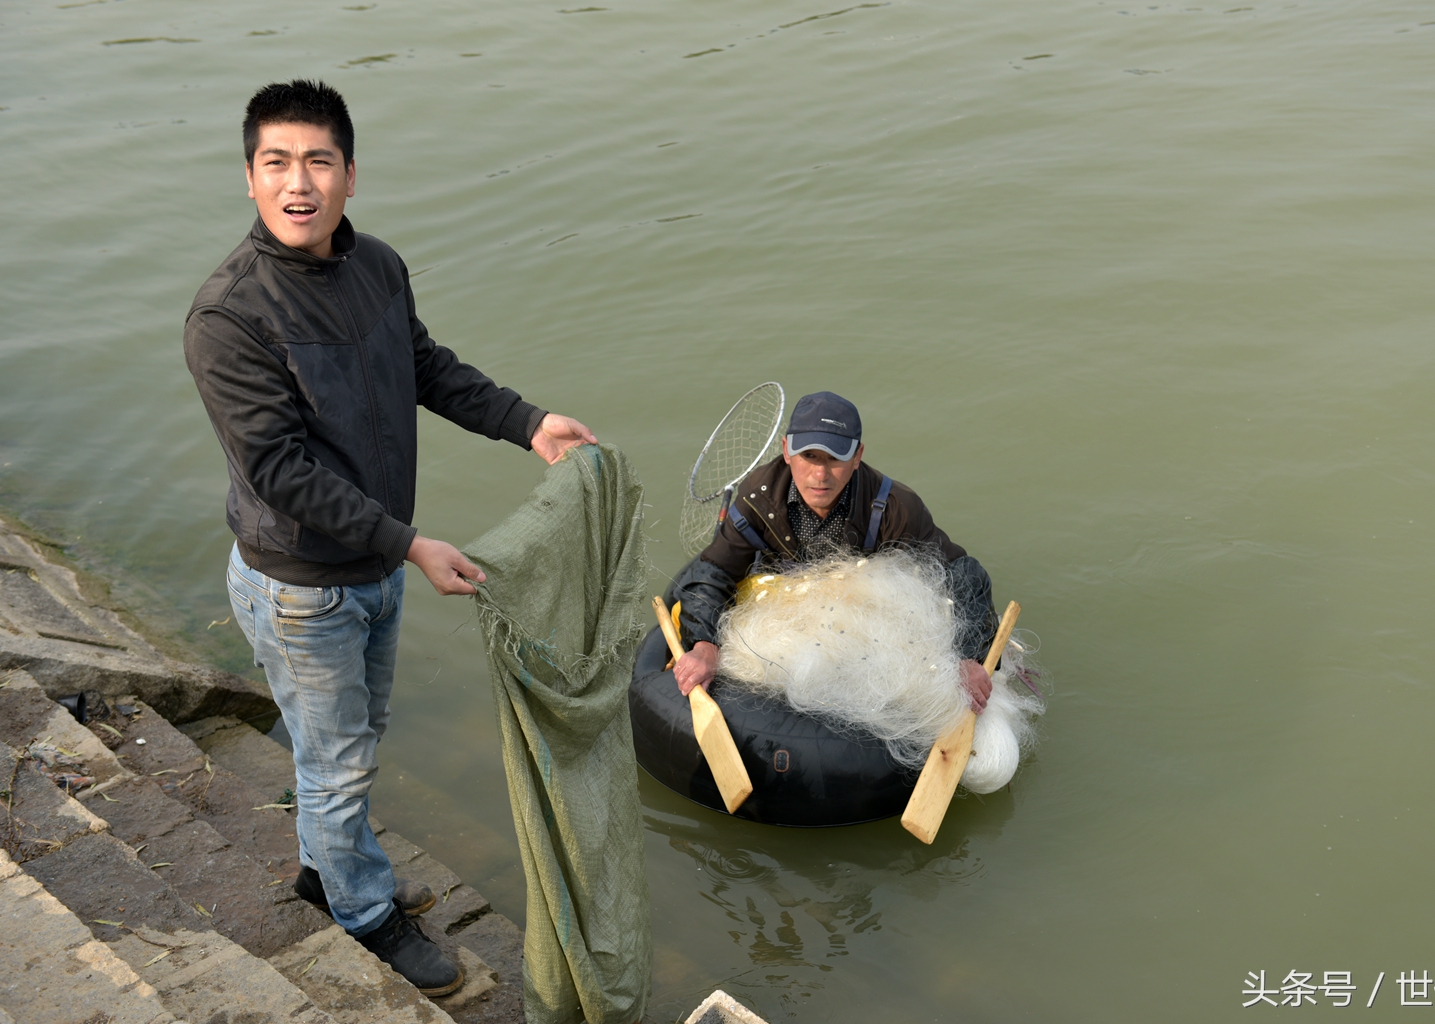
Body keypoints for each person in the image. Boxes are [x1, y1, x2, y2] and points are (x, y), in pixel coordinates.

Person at [183, 80, 595, 997]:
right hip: (301, 583)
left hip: (374, 563)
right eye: (277, 163)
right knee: (340, 759)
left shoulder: (377, 266)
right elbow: (280, 473)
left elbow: (426, 367)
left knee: (347, 740)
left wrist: (526, 422)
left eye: (318, 161)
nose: (300, 183)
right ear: (249, 179)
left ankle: (324, 868)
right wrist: (412, 544)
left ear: (351, 176)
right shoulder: (228, 318)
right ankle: (364, 915)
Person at [672, 391, 998, 711]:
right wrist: (704, 646)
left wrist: (969, 657)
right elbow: (713, 573)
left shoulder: (896, 508)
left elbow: (962, 572)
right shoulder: (758, 498)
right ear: (787, 451)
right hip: (780, 612)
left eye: (835, 458)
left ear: (857, 457)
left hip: (859, 626)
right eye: (809, 456)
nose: (820, 474)